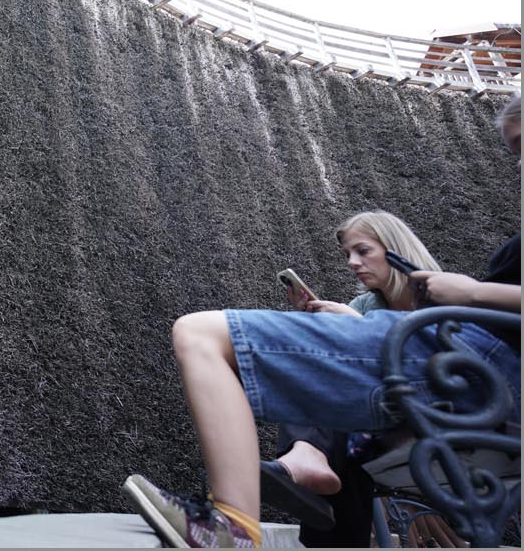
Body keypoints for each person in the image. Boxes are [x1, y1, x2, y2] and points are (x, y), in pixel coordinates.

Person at [123, 94, 522, 548]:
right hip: (452, 378)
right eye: (515, 152)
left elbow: (454, 317)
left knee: (201, 333)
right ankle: (297, 472)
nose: (519, 167)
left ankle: (237, 522)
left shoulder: (439, 302)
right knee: (305, 382)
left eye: (363, 251)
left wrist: (472, 292)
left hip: (468, 369)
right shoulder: (374, 302)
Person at [261, 211, 444, 547]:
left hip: (430, 418)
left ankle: (307, 455)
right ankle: (311, 457)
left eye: (363, 251)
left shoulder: (443, 297)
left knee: (342, 405)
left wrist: (358, 326)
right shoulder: (366, 302)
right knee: (328, 398)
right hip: (368, 426)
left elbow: (441, 373)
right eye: (348, 254)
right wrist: (314, 322)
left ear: (395, 249)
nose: (352, 262)